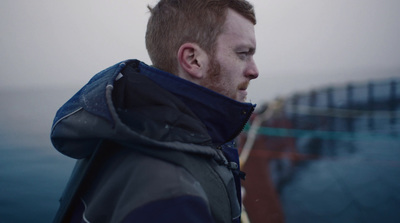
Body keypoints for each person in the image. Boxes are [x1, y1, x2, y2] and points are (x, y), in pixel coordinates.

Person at [51, 0, 259, 222]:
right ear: (193, 59)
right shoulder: (172, 195)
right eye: (243, 53)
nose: (254, 71)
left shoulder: (127, 127)